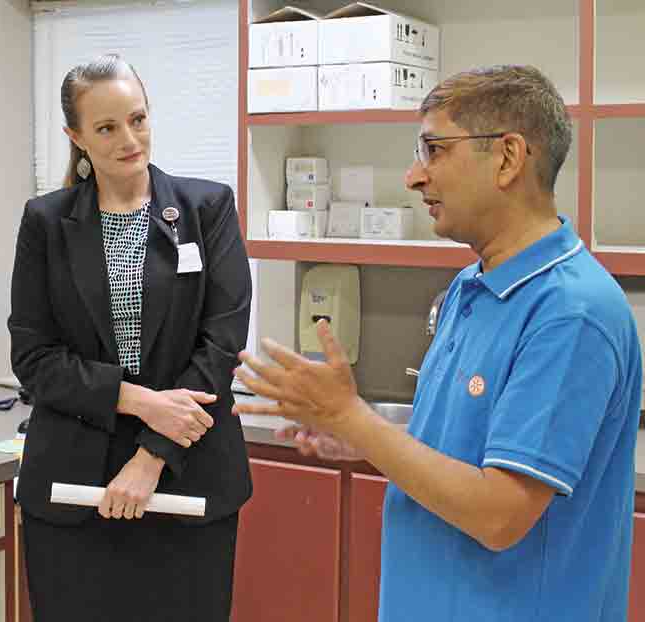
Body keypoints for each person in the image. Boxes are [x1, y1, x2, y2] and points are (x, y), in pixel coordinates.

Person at [234, 65, 642, 622]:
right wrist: (365, 440)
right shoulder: (471, 285)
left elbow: (500, 515)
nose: (413, 176)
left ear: (507, 157)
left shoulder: (571, 313)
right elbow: (462, 450)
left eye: (434, 149)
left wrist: (355, 419)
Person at [8, 54, 252, 621]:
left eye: (137, 120)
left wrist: (150, 458)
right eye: (107, 128)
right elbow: (34, 357)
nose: (129, 139)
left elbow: (220, 347)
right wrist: (141, 402)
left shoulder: (206, 209)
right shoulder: (46, 222)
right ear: (76, 136)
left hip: (186, 481)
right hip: (72, 491)